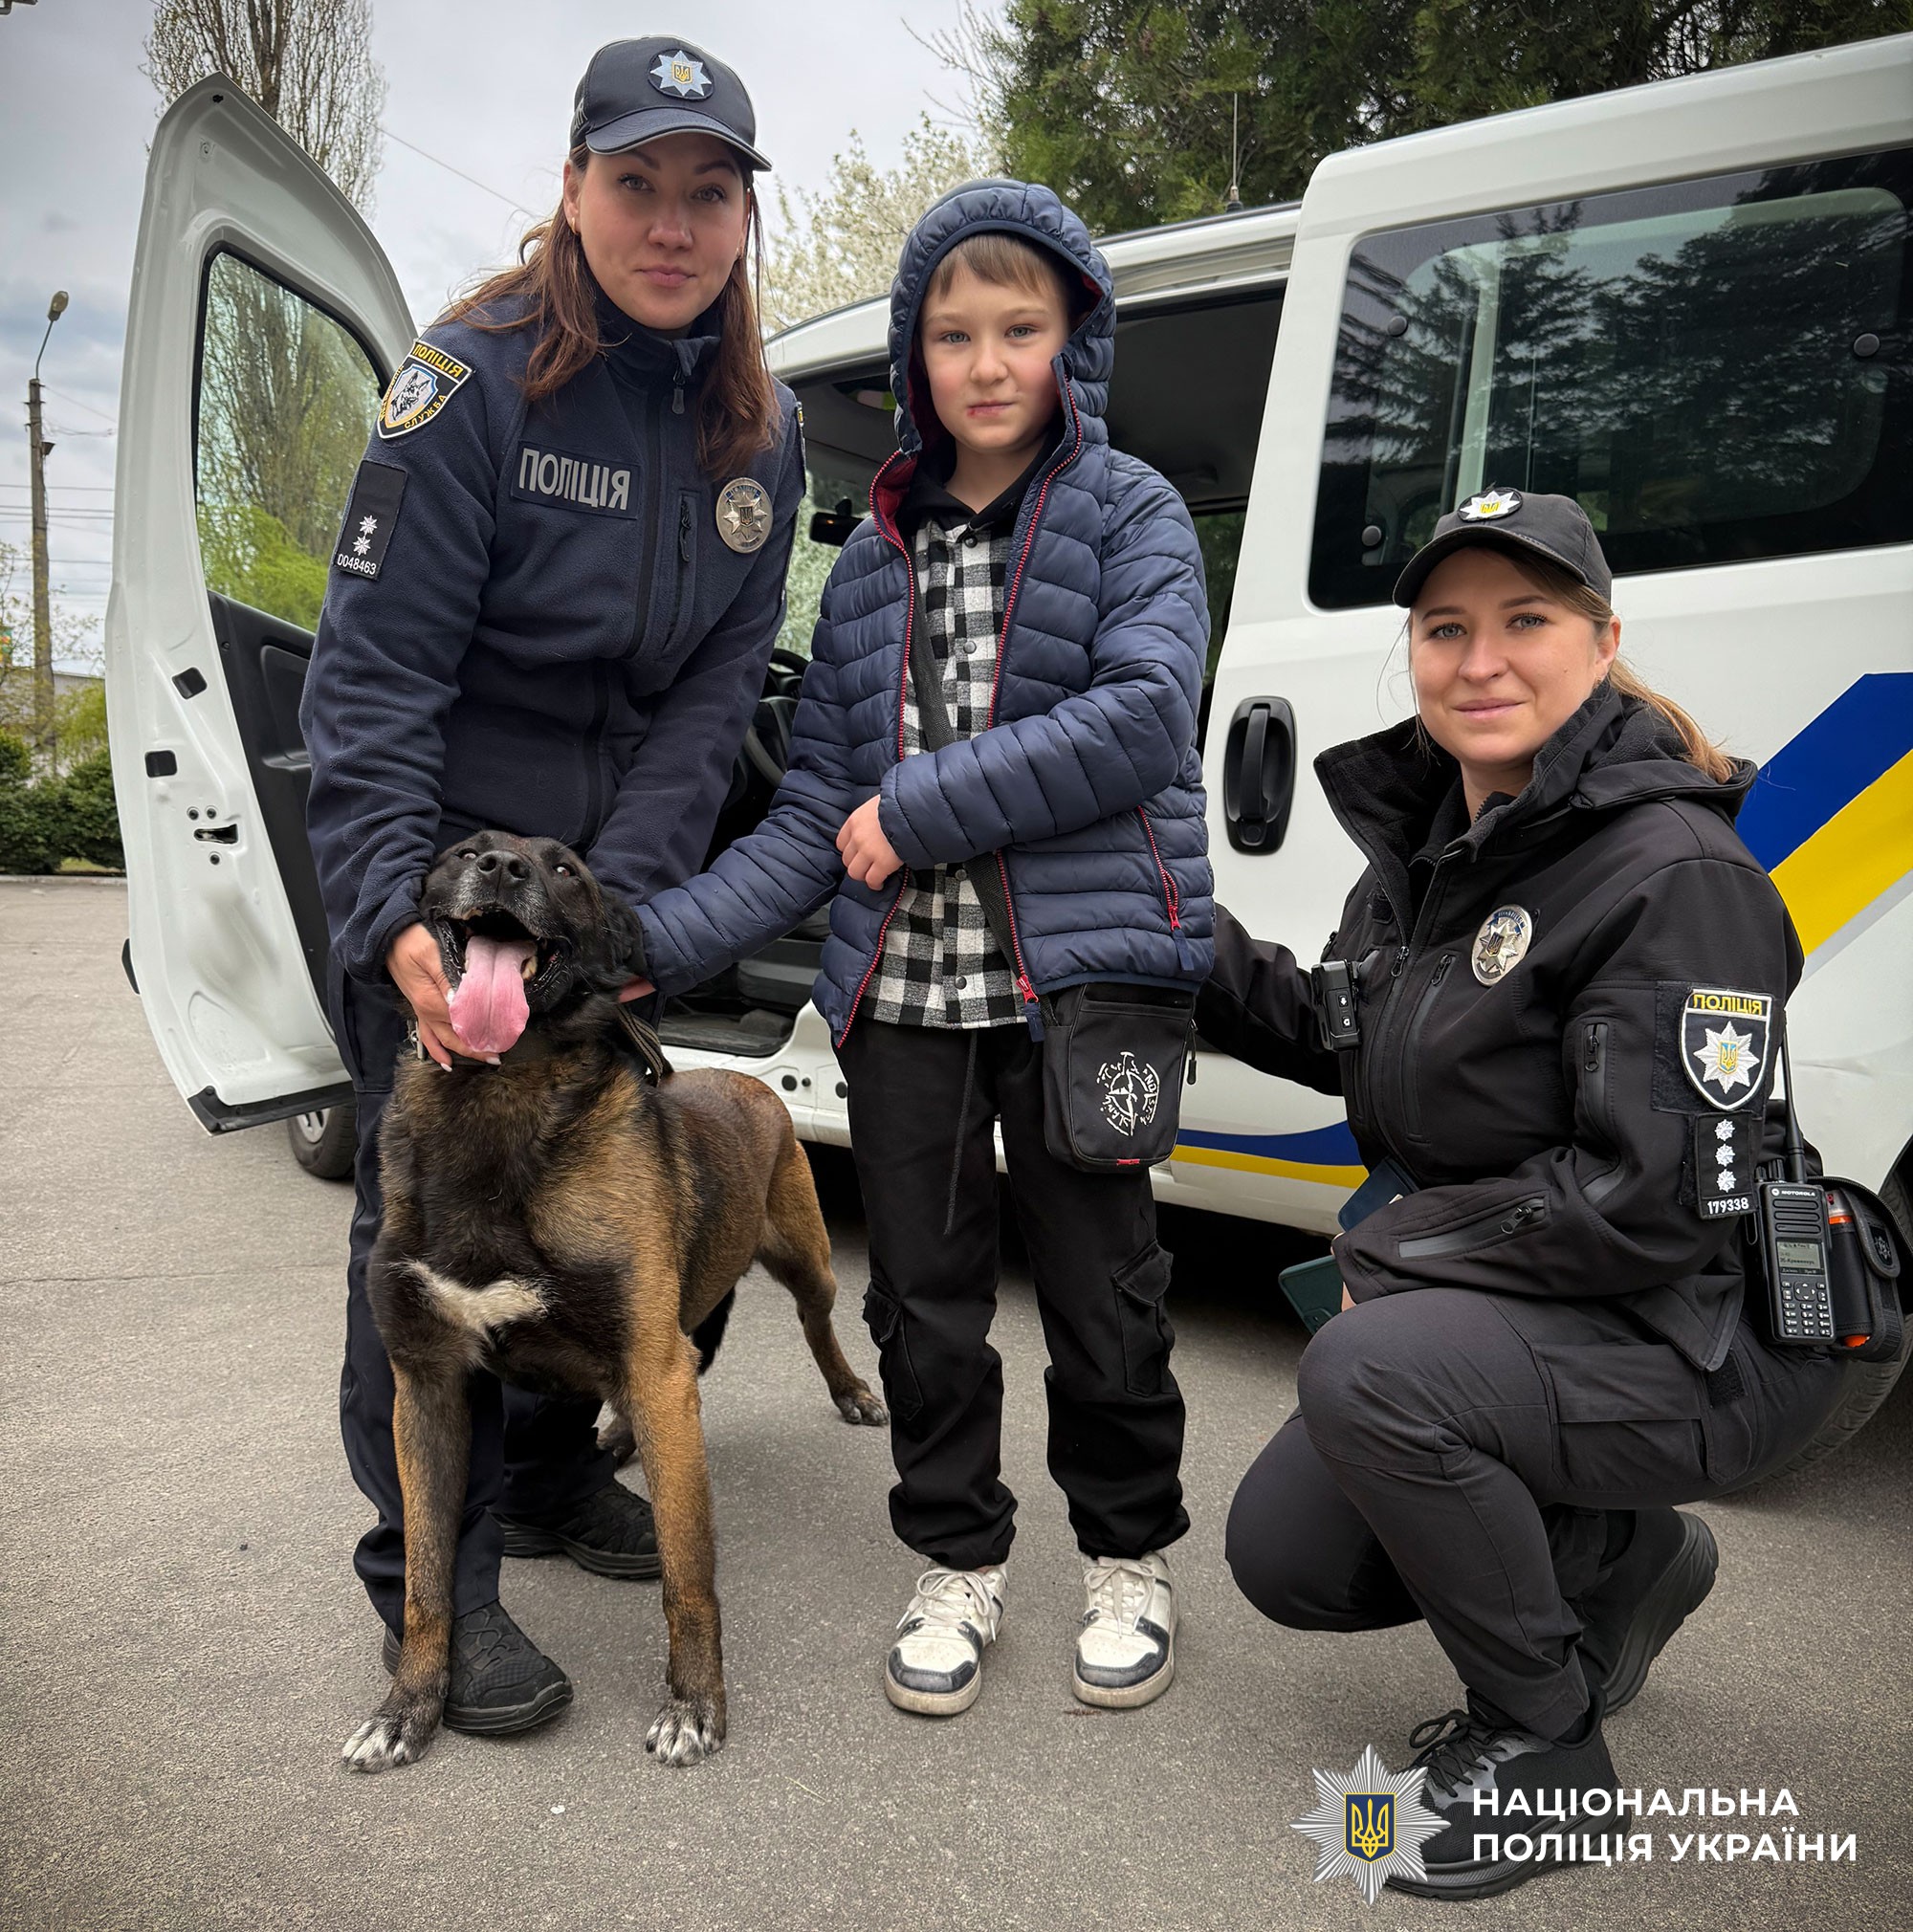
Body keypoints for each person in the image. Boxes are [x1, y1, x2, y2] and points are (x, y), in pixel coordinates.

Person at [1199, 490, 1848, 1899]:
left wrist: (1410, 1251)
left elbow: (1659, 1198)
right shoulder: (1442, 849)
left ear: (1605, 640)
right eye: (1445, 629)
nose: (1479, 660)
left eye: (1526, 621)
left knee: (1373, 1374)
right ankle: (1620, 1564)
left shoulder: (1672, 871)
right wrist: (1181, 939)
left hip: (1712, 1332)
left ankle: (1544, 1746)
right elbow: (1343, 1027)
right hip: (1552, 1313)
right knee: (1291, 1559)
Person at [622, 181, 1213, 1716]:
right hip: (905, 999)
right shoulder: (873, 561)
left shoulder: (1130, 512)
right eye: (953, 332)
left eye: (1021, 326)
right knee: (924, 1305)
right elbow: (816, 817)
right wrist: (643, 943)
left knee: (1106, 1292)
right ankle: (957, 1562)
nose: (988, 359)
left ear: (1073, 334)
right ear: (914, 354)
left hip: (1080, 985)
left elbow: (1146, 719)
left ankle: (1125, 1557)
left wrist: (926, 804)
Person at [299, 36, 804, 1738]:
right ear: (574, 188)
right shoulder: (470, 381)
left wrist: (627, 917)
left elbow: (712, 703)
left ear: (742, 215)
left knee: (584, 1240)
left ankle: (554, 1484)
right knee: (434, 1250)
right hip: (441, 882)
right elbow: (371, 685)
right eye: (635, 183)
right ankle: (433, 1598)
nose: (671, 224)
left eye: (707, 192)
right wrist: (399, 917)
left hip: (587, 911)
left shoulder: (766, 432)